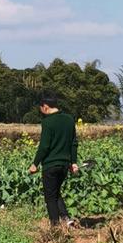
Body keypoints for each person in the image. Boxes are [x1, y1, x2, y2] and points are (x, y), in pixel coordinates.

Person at [28, 94, 79, 228]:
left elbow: (44, 146)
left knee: (50, 197)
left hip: (50, 165)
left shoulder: (47, 122)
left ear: (45, 107)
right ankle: (67, 220)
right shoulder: (69, 120)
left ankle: (55, 227)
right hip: (64, 165)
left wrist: (35, 164)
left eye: (41, 109)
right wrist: (73, 162)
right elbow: (73, 143)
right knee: (55, 192)